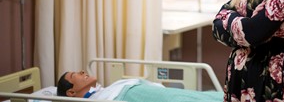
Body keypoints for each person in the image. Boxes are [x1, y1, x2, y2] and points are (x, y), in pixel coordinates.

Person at [57, 70, 223, 101]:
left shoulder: (102, 92)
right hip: (130, 95)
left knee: (202, 96)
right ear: (71, 92)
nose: (81, 71)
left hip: (139, 91)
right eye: (74, 75)